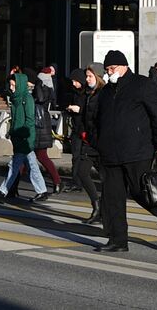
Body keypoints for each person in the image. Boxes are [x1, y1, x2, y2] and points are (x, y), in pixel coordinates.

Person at [90, 49, 157, 253]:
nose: (109, 72)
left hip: (137, 150)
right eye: (107, 68)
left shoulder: (142, 85)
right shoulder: (106, 92)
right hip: (110, 152)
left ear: (123, 66)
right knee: (113, 197)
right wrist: (97, 141)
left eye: (112, 68)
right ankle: (118, 240)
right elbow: (95, 119)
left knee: (142, 192)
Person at [0, 72, 50, 203]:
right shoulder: (15, 98)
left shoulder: (26, 99)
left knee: (14, 165)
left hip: (24, 138)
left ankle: (3, 191)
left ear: (20, 85)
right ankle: (42, 191)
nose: (11, 88)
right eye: (10, 85)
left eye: (13, 85)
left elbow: (29, 121)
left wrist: (25, 136)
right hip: (18, 137)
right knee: (32, 165)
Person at [64, 66, 102, 223]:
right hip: (88, 139)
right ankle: (97, 205)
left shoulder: (104, 94)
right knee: (81, 171)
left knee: (109, 178)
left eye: (90, 76)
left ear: (98, 77)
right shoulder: (88, 93)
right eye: (86, 77)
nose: (87, 80)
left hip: (101, 142)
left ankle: (104, 210)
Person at [29, 70, 62, 193]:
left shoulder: (42, 88)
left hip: (41, 127)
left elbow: (41, 99)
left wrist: (37, 85)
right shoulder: (43, 88)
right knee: (27, 157)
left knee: (41, 156)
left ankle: (57, 181)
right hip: (38, 126)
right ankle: (12, 186)